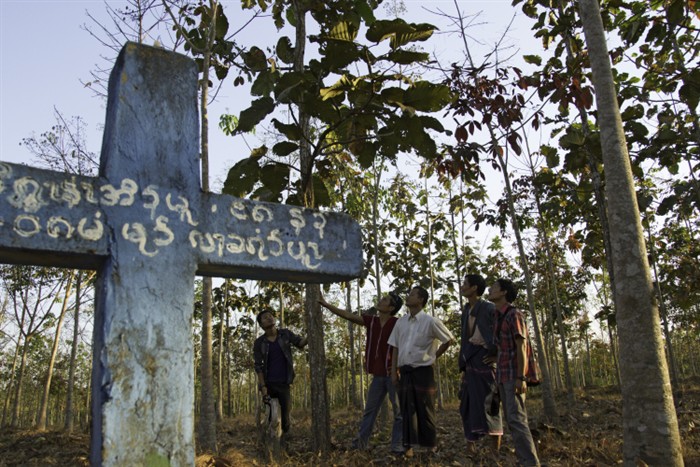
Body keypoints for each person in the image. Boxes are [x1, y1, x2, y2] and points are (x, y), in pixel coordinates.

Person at [318, 291, 404, 453]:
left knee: (399, 412)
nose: (381, 300)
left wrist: (396, 370)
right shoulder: (372, 321)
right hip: (378, 376)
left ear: (391, 307)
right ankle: (360, 445)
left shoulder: (398, 324)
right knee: (370, 412)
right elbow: (348, 316)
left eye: (385, 300)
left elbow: (402, 347)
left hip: (394, 374)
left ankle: (397, 445)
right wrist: (326, 304)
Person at [388, 286, 454, 457]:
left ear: (421, 300)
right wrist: (394, 371)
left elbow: (448, 340)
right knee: (406, 409)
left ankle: (430, 446)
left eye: (412, 295)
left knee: (425, 408)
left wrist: (433, 356)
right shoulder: (400, 322)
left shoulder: (430, 321)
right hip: (405, 371)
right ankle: (408, 446)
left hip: (423, 371)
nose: (408, 297)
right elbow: (394, 347)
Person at [488, 278, 540, 467]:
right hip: (502, 374)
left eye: (494, 288)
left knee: (517, 420)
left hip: (513, 375)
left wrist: (521, 377)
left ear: (503, 293)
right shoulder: (496, 315)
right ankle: (524, 459)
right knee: (511, 419)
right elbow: (502, 347)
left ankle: (530, 462)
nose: (491, 290)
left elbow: (522, 346)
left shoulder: (513, 314)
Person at [459, 274, 503, 453]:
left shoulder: (489, 308)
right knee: (466, 404)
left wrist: (497, 355)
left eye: (465, 284)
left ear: (474, 288)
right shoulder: (466, 309)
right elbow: (465, 338)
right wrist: (462, 363)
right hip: (470, 360)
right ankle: (470, 447)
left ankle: (495, 450)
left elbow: (502, 332)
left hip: (485, 360)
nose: (462, 287)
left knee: (490, 403)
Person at [253, 308, 308, 445]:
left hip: (284, 383)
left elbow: (300, 343)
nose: (269, 318)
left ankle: (284, 444)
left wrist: (311, 333)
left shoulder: (285, 334)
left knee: (286, 419)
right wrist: (263, 387)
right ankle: (270, 446)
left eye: (271, 316)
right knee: (271, 418)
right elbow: (258, 366)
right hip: (269, 384)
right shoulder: (259, 343)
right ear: (261, 325)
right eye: (265, 318)